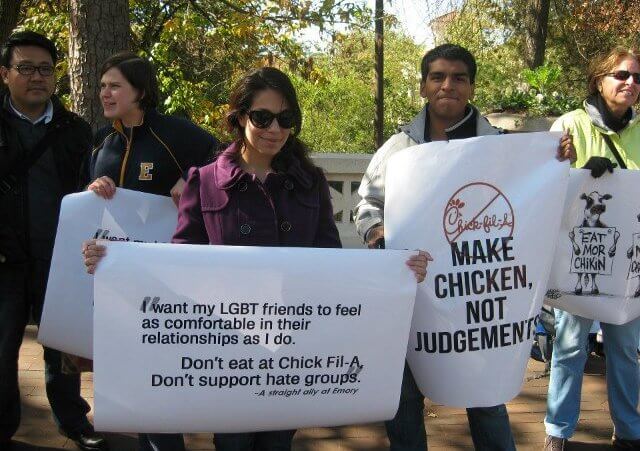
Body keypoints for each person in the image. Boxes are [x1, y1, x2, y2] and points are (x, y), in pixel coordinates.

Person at [81, 66, 429, 451]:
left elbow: (332, 265)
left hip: (292, 349)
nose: (274, 129)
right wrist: (115, 265)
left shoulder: (310, 182)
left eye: (285, 119)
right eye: (262, 117)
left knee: (278, 442)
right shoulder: (206, 180)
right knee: (232, 442)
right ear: (240, 117)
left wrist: (396, 269)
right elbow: (179, 264)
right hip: (227, 348)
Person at [354, 43, 575, 451]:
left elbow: (539, 197)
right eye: (437, 77)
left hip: (478, 294)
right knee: (402, 395)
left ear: (471, 87)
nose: (447, 85)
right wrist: (381, 235)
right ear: (423, 87)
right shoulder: (398, 149)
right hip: (413, 296)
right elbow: (366, 204)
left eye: (458, 77)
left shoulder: (503, 147)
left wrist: (558, 158)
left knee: (485, 395)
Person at [82, 51, 218, 451]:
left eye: (115, 86)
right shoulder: (101, 139)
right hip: (114, 277)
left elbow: (225, 163)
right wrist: (92, 193)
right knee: (130, 372)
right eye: (102, 85)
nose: (105, 92)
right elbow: (81, 199)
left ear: (139, 91)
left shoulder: (175, 133)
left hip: (167, 279)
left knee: (158, 371)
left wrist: (190, 181)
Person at [0, 31, 107, 451]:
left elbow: (89, 188)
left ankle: (73, 422)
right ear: (5, 74)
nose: (37, 77)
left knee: (62, 349)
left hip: (58, 259)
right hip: (5, 260)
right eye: (25, 68)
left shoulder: (75, 130)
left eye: (45, 68)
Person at [544, 46, 640, 451]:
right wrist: (577, 169)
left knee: (627, 349)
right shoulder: (570, 125)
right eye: (621, 75)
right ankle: (558, 432)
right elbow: (545, 180)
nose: (630, 83)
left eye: (636, 77)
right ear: (599, 80)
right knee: (569, 346)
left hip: (628, 261)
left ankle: (630, 431)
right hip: (578, 257)